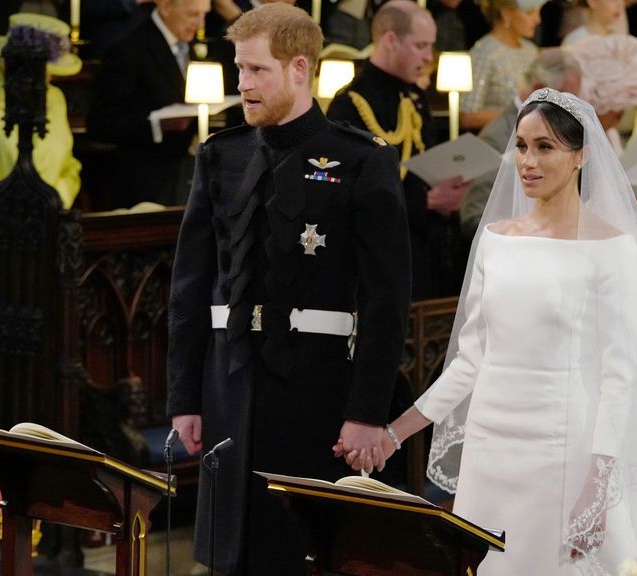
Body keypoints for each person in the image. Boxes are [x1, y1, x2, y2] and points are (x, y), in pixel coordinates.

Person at [354, 88, 637, 575]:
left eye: (545, 147)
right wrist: (393, 434)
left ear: (581, 156)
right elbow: (469, 362)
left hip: (563, 453)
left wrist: (597, 488)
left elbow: (619, 378)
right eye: (520, 146)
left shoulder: (612, 248)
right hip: (491, 452)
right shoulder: (496, 240)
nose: (528, 161)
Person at [166, 4, 411, 575]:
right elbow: (189, 288)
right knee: (231, 554)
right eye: (240, 69)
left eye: (257, 70)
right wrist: (183, 398)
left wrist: (367, 412)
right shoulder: (219, 157)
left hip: (318, 388)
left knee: (304, 552)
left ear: (299, 68)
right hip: (228, 383)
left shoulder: (361, 160)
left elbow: (386, 300)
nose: (243, 83)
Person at [327, 0, 471, 299]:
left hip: (422, 246)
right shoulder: (351, 103)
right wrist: (425, 202)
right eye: (420, 45)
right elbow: (348, 189)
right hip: (376, 255)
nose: (428, 57)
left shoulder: (415, 95)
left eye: (430, 46)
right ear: (390, 40)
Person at [0, 13, 81, 245]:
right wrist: (23, 209)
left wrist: (55, 201)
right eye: (42, 68)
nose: (48, 78)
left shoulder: (56, 97)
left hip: (47, 234)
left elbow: (70, 167)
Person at [87, 0, 210, 208]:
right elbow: (100, 123)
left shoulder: (195, 46)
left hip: (189, 176)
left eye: (204, 15)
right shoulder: (128, 49)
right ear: (165, 7)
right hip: (147, 184)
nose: (200, 24)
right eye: (192, 15)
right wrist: (156, 124)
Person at [460, 47, 582, 237]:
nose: (571, 109)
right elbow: (474, 216)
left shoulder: (571, 138)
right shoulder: (498, 135)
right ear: (538, 88)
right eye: (563, 99)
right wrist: (520, 240)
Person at [458, 0, 543, 131]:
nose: (537, 20)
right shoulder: (485, 53)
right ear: (507, 13)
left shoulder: (531, 50)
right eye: (530, 13)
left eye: (538, 12)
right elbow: (468, 116)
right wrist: (519, 113)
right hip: (497, 141)